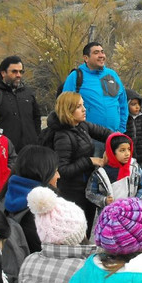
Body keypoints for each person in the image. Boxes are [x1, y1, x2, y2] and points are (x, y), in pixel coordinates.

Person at [42, 91, 113, 236]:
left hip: (86, 188)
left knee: (86, 231)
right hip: (72, 193)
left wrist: (111, 146)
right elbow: (63, 170)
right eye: (79, 106)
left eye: (83, 105)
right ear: (68, 111)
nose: (84, 109)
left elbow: (107, 133)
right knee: (76, 234)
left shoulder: (81, 125)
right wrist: (89, 161)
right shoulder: (62, 136)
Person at [0, 145, 61, 255]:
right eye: (55, 172)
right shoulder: (42, 212)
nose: (58, 176)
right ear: (43, 174)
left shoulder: (3, 202)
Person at [61, 42, 128, 133]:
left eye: (102, 52)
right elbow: (64, 107)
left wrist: (121, 129)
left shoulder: (112, 75)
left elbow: (122, 103)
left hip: (114, 135)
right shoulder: (76, 77)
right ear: (86, 58)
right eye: (96, 53)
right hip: (88, 137)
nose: (101, 55)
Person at [86, 132, 142, 213]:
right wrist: (104, 200)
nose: (127, 153)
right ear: (112, 152)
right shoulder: (100, 173)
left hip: (132, 212)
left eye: (129, 149)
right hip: (110, 216)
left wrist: (136, 202)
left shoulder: (134, 168)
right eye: (122, 150)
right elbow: (90, 193)